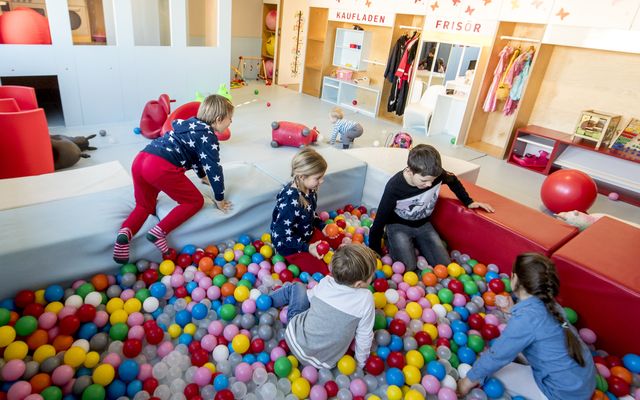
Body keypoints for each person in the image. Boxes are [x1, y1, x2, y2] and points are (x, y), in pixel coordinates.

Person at [113, 94, 233, 264]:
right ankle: (159, 232)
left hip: (141, 159)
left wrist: (201, 176)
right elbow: (214, 168)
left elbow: (197, 157)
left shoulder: (190, 124)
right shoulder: (209, 136)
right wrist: (219, 199)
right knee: (195, 201)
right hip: (159, 167)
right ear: (219, 119)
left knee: (144, 206)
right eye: (230, 118)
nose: (231, 122)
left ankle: (124, 233)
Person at [458, 253, 596, 400]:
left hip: (562, 394)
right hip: (583, 383)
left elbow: (497, 356)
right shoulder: (552, 305)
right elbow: (536, 329)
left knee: (489, 372)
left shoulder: (526, 319)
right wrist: (511, 312)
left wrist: (467, 381)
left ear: (515, 278)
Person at [368, 144, 494, 270]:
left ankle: (417, 242)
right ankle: (390, 238)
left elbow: (453, 180)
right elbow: (380, 220)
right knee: (408, 267)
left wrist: (468, 202)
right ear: (409, 171)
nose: (429, 184)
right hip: (398, 226)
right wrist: (375, 250)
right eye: (423, 181)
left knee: (444, 265)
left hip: (423, 225)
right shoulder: (395, 186)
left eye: (432, 180)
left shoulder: (437, 175)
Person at [270, 244, 377, 369]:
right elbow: (364, 336)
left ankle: (268, 300)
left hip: (294, 340)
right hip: (324, 362)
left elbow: (309, 297)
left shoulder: (326, 283)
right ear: (359, 284)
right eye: (371, 276)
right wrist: (360, 364)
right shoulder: (366, 299)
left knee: (297, 287)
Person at [270, 148, 342, 275]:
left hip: (307, 233)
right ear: (302, 177)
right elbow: (283, 235)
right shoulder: (289, 202)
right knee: (323, 272)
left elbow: (310, 214)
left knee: (339, 241)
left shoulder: (310, 189)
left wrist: (322, 226)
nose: (322, 181)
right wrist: (308, 248)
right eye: (318, 178)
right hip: (291, 246)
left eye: (322, 177)